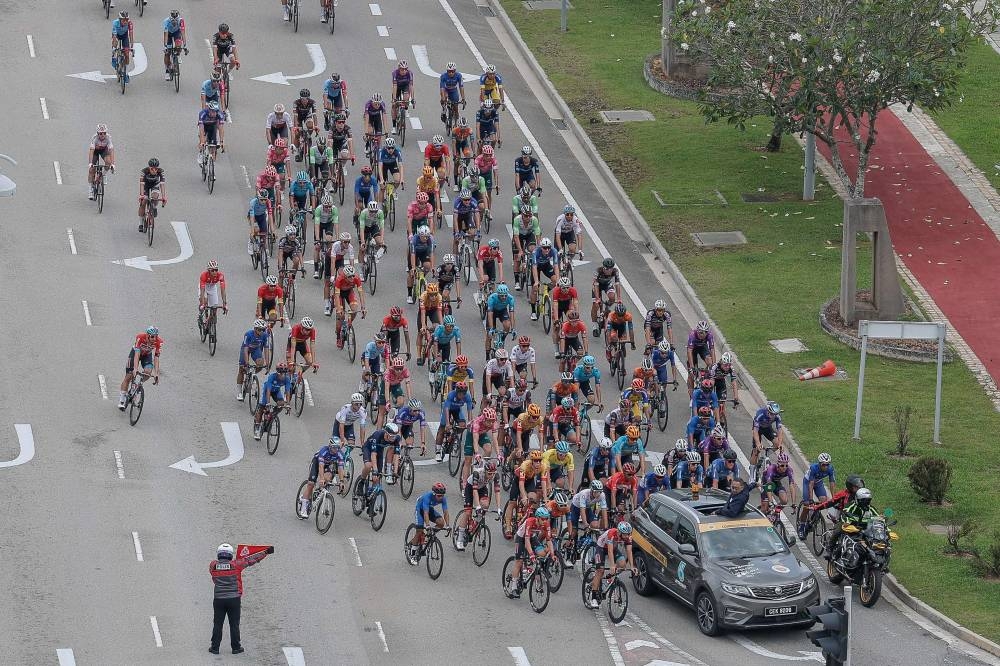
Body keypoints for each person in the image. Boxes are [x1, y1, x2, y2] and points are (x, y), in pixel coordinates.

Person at [208, 543, 272, 655]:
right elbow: (252, 560)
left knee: (218, 623)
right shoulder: (237, 564)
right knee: (234, 624)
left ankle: (215, 648)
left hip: (219, 599)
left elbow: (214, 577)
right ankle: (236, 647)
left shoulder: (213, 565)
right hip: (234, 599)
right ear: (230, 555)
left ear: (219, 554)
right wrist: (265, 552)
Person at [506, 506, 555, 597]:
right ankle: (513, 587)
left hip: (532, 537)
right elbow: (527, 542)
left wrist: (552, 554)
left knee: (542, 554)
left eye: (546, 518)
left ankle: (529, 569)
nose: (545, 521)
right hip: (521, 538)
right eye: (543, 519)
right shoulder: (530, 521)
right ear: (537, 517)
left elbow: (549, 540)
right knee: (519, 561)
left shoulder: (546, 524)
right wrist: (532, 554)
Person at [586, 522, 635, 608]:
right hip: (601, 547)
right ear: (619, 532)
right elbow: (609, 551)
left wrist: (632, 567)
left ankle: (608, 578)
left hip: (613, 548)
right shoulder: (612, 533)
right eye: (625, 534)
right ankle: (593, 598)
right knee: (600, 571)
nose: (627, 536)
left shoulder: (628, 537)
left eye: (628, 534)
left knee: (623, 564)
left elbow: (629, 551)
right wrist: (612, 565)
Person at [298, 437, 348, 518]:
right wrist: (321, 479)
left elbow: (340, 468)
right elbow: (320, 466)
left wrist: (341, 481)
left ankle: (319, 490)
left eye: (338, 447)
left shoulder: (340, 454)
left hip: (327, 465)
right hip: (317, 463)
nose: (336, 449)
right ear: (330, 446)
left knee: (328, 478)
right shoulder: (324, 451)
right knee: (311, 484)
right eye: (334, 447)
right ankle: (304, 505)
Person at [830, 488, 878, 564]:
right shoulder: (851, 506)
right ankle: (830, 549)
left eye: (868, 500)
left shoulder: (870, 508)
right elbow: (845, 513)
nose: (866, 502)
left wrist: (882, 521)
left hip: (863, 529)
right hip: (849, 525)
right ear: (858, 499)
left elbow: (877, 517)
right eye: (864, 500)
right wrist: (847, 522)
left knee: (871, 542)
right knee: (838, 531)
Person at [406, 482, 450, 563]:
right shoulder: (427, 497)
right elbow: (425, 513)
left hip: (429, 509)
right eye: (439, 496)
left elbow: (446, 512)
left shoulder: (443, 499)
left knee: (441, 523)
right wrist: (427, 525)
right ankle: (413, 552)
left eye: (442, 495)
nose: (440, 498)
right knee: (419, 531)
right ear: (434, 494)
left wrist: (447, 525)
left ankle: (428, 536)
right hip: (420, 509)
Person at [119, 327, 161, 409]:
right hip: (135, 353)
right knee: (129, 376)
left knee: (148, 372)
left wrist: (156, 373)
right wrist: (135, 368)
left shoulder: (159, 341)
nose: (154, 339)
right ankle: (122, 399)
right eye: (152, 336)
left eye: (156, 336)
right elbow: (137, 355)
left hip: (147, 355)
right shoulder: (140, 337)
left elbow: (156, 358)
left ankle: (137, 387)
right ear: (147, 335)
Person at [236, 319, 272, 401]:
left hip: (255, 349)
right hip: (246, 349)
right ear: (255, 329)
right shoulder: (248, 334)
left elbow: (266, 349)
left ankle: (252, 375)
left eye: (263, 330)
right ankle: (239, 392)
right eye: (259, 329)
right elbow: (245, 349)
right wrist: (247, 363)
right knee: (241, 369)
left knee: (260, 363)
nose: (261, 331)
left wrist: (268, 364)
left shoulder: (265, 335)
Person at [254, 364, 291, 439]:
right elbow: (268, 390)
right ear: (277, 372)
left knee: (281, 404)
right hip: (267, 390)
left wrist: (288, 404)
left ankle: (271, 417)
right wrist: (267, 403)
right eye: (281, 373)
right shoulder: (272, 377)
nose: (282, 375)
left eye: (284, 373)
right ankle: (257, 428)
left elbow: (287, 392)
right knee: (262, 407)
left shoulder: (287, 379)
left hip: (276, 391)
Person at [137, 158, 166, 232]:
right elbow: (142, 184)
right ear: (149, 167)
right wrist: (142, 195)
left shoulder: (161, 171)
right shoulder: (144, 171)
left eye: (156, 169)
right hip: (145, 185)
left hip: (155, 184)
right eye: (152, 169)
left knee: (155, 197)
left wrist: (164, 197)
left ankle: (153, 208)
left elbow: (162, 185)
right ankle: (141, 223)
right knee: (143, 202)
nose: (154, 170)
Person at [88, 124, 115, 200]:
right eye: (100, 133)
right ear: (97, 133)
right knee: (91, 170)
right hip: (95, 151)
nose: (103, 135)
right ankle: (90, 189)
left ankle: (103, 175)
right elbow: (91, 151)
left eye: (104, 133)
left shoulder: (108, 138)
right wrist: (90, 163)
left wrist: (113, 164)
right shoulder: (94, 138)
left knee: (108, 162)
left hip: (104, 150)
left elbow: (111, 151)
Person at [198, 260, 228, 327]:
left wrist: (225, 304)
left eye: (216, 270)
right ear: (209, 271)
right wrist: (202, 303)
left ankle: (210, 324)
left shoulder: (220, 275)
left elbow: (223, 290)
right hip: (204, 286)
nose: (215, 272)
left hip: (212, 287)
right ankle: (201, 314)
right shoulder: (203, 275)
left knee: (214, 307)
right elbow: (202, 290)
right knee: (205, 301)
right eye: (212, 270)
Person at [291, 88, 318, 159]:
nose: (304, 100)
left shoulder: (312, 102)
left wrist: (316, 126)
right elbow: (295, 116)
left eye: (306, 99)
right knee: (297, 134)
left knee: (310, 125)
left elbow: (314, 115)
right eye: (303, 99)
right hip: (298, 117)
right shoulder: (296, 103)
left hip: (307, 116)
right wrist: (296, 127)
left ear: (309, 98)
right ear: (300, 98)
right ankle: (297, 152)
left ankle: (308, 136)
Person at [162, 9, 187, 81]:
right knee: (167, 53)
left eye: (176, 21)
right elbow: (165, 35)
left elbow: (183, 32)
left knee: (178, 45)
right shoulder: (166, 21)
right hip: (169, 34)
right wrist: (165, 46)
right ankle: (167, 70)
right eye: (173, 21)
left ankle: (178, 55)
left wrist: (185, 44)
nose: (174, 23)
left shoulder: (181, 21)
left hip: (177, 32)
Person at [390, 60, 414, 135]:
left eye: (405, 69)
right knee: (394, 106)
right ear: (399, 69)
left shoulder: (410, 73)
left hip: (405, 86)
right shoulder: (395, 73)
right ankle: (394, 127)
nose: (404, 71)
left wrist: (412, 98)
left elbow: (411, 86)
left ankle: (406, 109)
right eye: (402, 69)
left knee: (406, 97)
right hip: (397, 87)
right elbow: (394, 86)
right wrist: (394, 99)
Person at [111, 11, 134, 78]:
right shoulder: (115, 23)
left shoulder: (130, 23)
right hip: (117, 35)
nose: (125, 22)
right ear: (120, 19)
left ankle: (126, 73)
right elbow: (114, 36)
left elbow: (131, 33)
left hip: (124, 36)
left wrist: (131, 43)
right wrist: (114, 46)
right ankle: (113, 57)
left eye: (127, 20)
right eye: (123, 20)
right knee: (115, 43)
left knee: (127, 54)